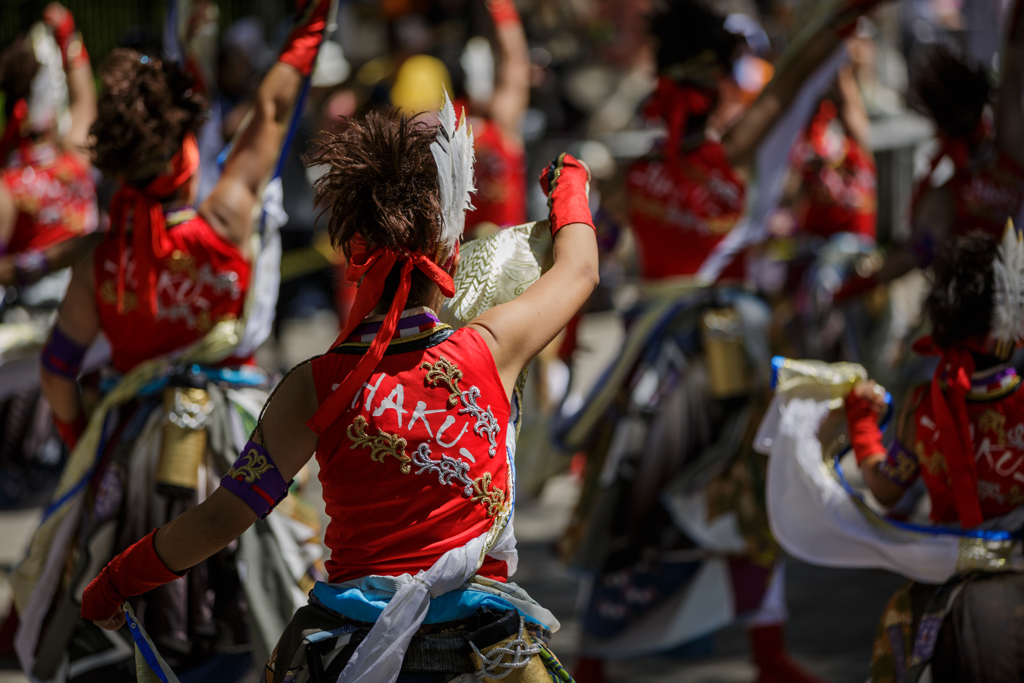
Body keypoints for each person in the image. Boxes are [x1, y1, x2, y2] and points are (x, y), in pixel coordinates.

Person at [80, 97, 598, 682]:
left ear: (352, 256)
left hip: (348, 653)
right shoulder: (491, 346)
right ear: (451, 255)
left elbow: (222, 518)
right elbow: (579, 270)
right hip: (487, 656)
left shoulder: (314, 384)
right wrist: (568, 184)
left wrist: (117, 580)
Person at [557, 1, 882, 681]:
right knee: (748, 491)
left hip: (653, 361)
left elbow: (577, 267)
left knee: (626, 496)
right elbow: (791, 84)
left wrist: (559, 358)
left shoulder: (629, 182)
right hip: (728, 354)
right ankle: (763, 653)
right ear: (712, 99)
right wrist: (844, 22)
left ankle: (595, 659)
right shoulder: (732, 160)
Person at [9, 1, 333, 679]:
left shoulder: (103, 257)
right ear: (183, 142)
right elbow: (274, 110)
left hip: (129, 448)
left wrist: (84, 441)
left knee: (126, 600)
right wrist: (309, 28)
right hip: (235, 436)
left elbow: (59, 369)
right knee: (267, 590)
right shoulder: (226, 214)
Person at [845, 227, 1024, 682]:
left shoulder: (922, 408)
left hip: (950, 561)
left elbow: (885, 489)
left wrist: (863, 423)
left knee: (896, 641)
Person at [836, 0, 1024, 300]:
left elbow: (915, 255)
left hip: (981, 310)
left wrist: (851, 290)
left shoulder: (948, 193)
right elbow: (1013, 73)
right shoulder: (1011, 151)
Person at [0, 2, 97, 288]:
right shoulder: (7, 186)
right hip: (34, 313)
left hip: (86, 301)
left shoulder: (71, 157)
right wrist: (50, 261)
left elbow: (84, 101)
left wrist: (69, 37)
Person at [460, 0, 530, 236]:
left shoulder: (501, 122)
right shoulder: (450, 120)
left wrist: (501, 7)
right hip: (463, 251)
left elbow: (516, 59)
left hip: (506, 242)